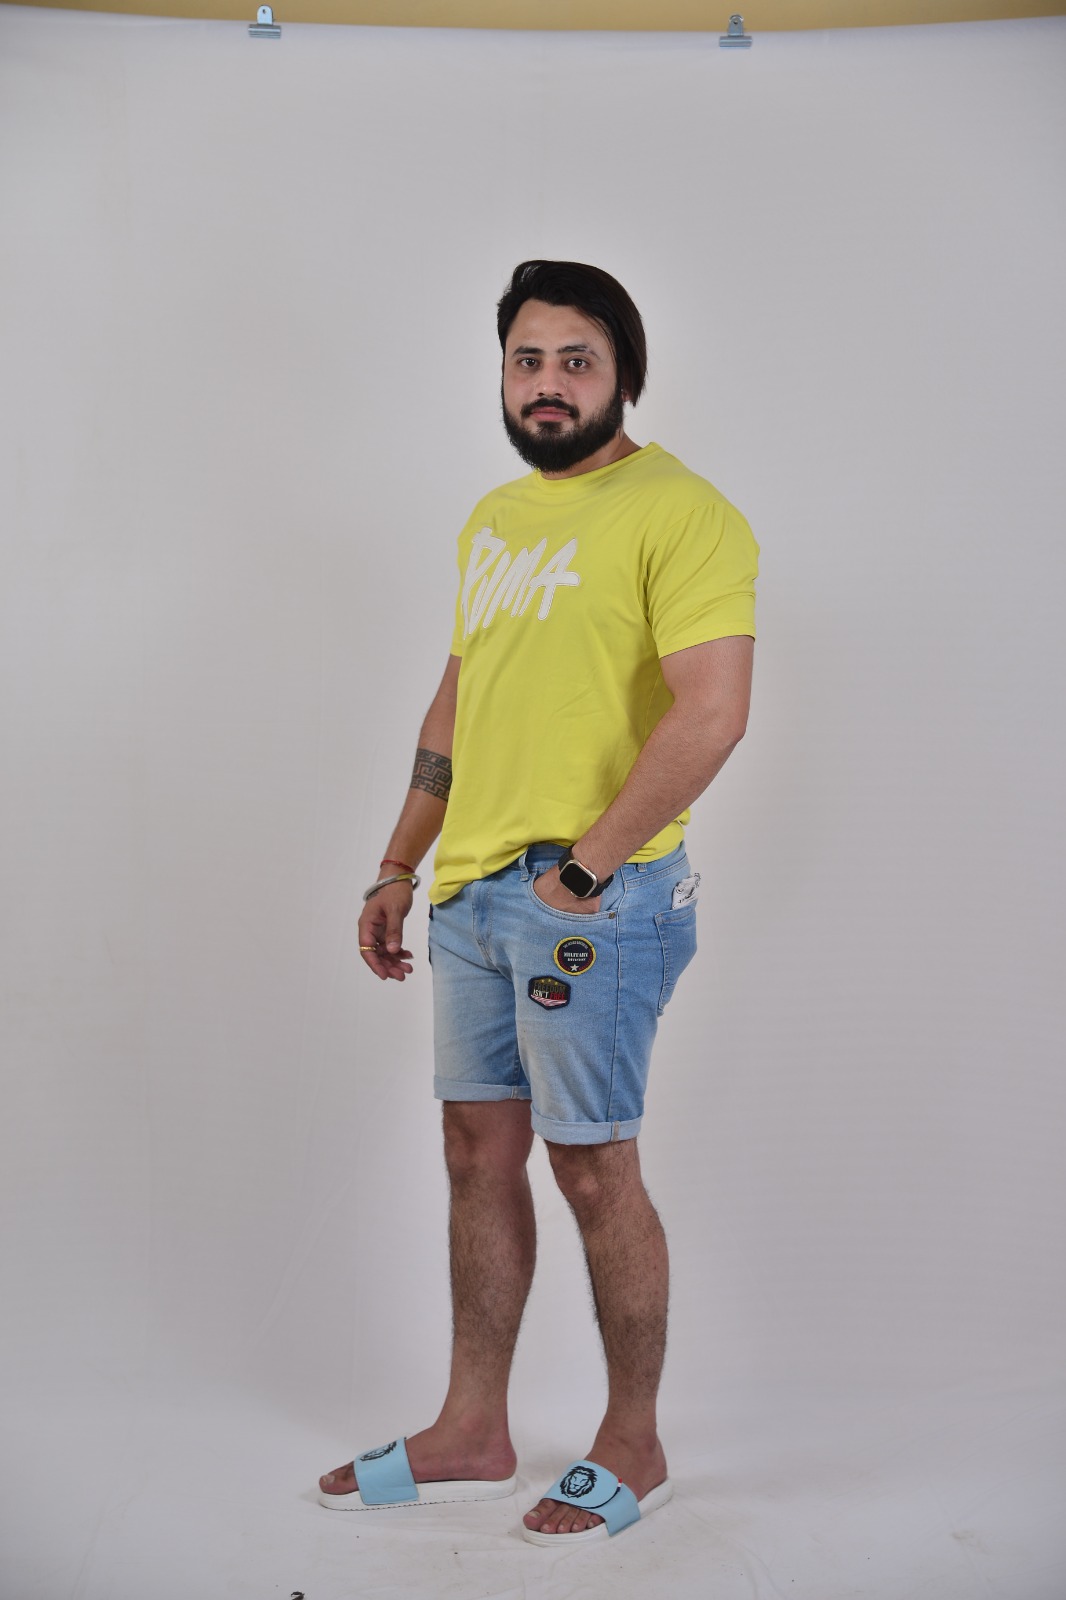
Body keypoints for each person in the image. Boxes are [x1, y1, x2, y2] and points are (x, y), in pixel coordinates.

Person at [318, 260, 758, 1544]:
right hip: (471, 893)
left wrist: (586, 869)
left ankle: (635, 1439)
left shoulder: (685, 512)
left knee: (593, 1164)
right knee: (475, 1151)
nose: (548, 383)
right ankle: (473, 1426)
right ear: (502, 374)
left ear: (623, 374)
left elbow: (713, 711)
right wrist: (400, 860)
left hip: (593, 902)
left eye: (576, 360)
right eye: (527, 360)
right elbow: (464, 697)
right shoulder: (496, 519)